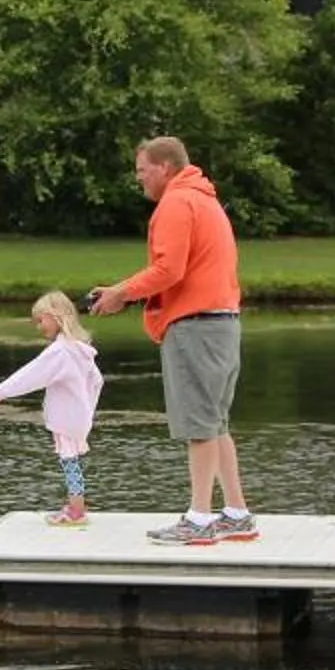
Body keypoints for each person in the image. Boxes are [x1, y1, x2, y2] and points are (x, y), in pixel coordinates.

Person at [90, 136, 254, 546]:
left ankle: (199, 520)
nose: (139, 178)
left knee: (199, 423)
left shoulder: (177, 203)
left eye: (142, 170)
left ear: (164, 167)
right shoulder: (204, 199)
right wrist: (120, 289)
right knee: (216, 422)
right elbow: (178, 268)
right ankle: (237, 514)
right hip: (222, 322)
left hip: (196, 326)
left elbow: (168, 270)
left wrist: (121, 295)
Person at [0, 290, 104, 525]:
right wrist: (86, 405)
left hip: (67, 417)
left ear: (57, 317)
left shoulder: (60, 352)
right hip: (76, 415)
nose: (39, 327)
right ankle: (76, 505)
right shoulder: (79, 349)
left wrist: (0, 393)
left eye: (41, 320)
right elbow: (97, 381)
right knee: (70, 461)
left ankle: (76, 510)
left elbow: (31, 374)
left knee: (69, 462)